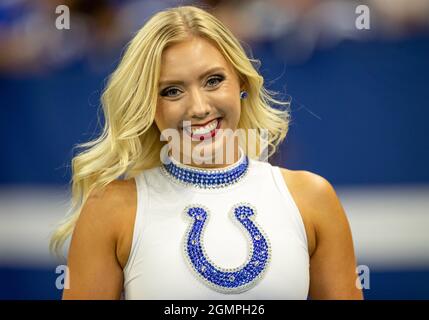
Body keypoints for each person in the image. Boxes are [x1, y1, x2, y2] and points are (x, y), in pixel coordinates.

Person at [50, 5, 363, 300]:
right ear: (147, 105)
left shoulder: (311, 198)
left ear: (241, 82)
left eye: (213, 81)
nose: (199, 108)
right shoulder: (111, 210)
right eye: (172, 91)